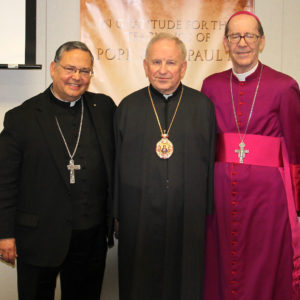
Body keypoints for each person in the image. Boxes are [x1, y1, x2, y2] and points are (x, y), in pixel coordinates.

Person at [0, 41, 116, 300]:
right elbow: (5, 181)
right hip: (40, 236)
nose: (77, 77)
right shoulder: (22, 117)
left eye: (85, 71)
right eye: (70, 68)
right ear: (53, 68)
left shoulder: (104, 108)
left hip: (91, 236)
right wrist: (5, 233)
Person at [201, 11, 300, 300]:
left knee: (264, 263)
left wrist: (297, 202)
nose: (242, 43)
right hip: (220, 195)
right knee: (221, 261)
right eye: (235, 36)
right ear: (226, 43)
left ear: (262, 41)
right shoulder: (211, 85)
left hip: (268, 199)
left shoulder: (284, 86)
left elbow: (295, 149)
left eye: (250, 36)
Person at [114, 32, 216, 300]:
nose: (162, 70)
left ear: (183, 67)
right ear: (145, 66)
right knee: (139, 282)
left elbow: (210, 163)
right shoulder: (127, 107)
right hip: (139, 216)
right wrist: (115, 213)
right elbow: (115, 166)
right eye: (156, 62)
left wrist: (207, 210)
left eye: (170, 63)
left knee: (186, 282)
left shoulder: (202, 106)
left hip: (188, 216)